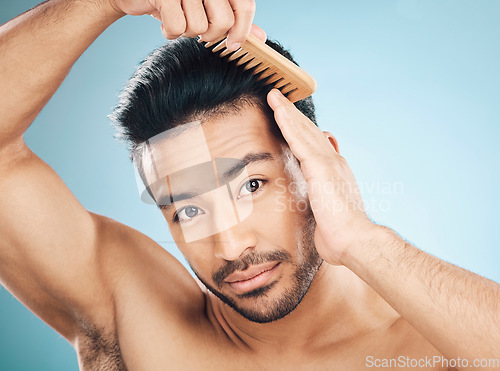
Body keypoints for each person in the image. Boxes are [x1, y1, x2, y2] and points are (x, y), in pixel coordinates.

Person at [0, 0, 498, 370]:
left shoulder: (435, 349)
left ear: (319, 164)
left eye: (253, 185)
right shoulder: (132, 318)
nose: (232, 245)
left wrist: (362, 241)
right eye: (188, 210)